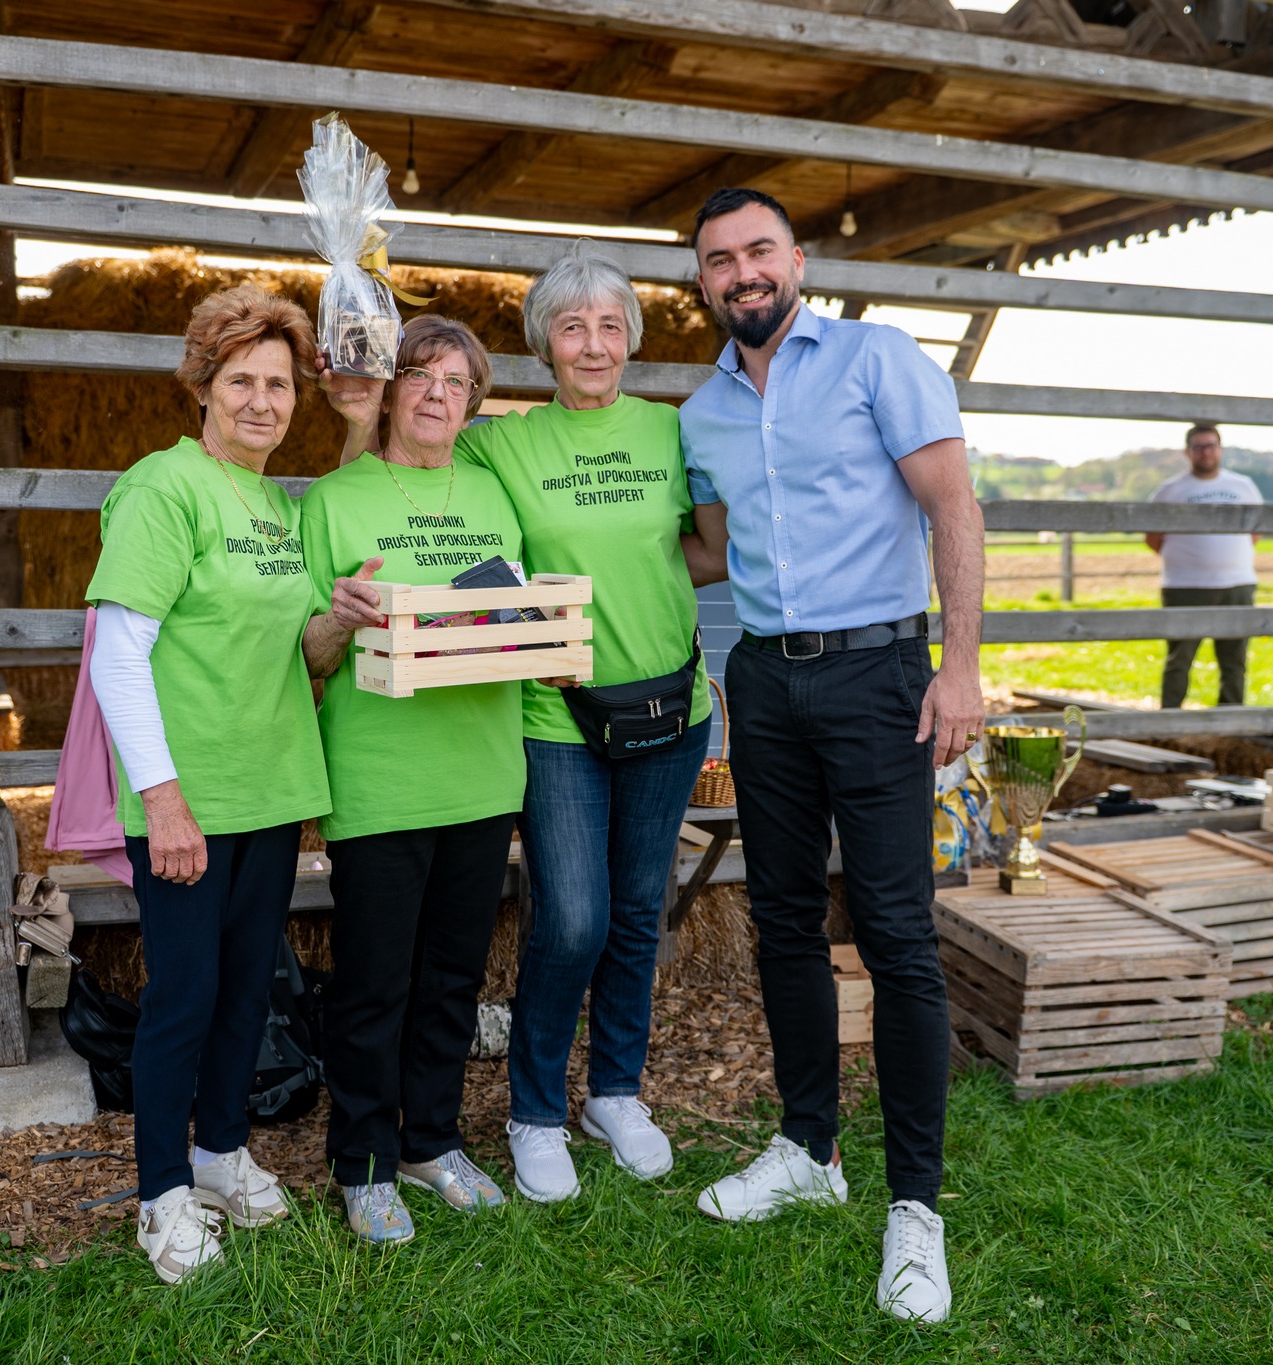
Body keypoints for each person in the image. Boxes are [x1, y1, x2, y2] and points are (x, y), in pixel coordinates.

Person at [678, 187, 985, 1324]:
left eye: (758, 250)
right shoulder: (700, 413)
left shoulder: (876, 359)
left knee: (897, 934)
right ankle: (808, 1147)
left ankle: (916, 1208)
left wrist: (959, 667)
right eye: (720, 260)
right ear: (703, 283)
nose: (742, 272)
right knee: (782, 920)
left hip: (878, 674)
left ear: (797, 260)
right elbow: (710, 552)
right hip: (764, 680)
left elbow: (954, 508)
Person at [373, 241, 716, 1202]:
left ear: (631, 339)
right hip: (556, 715)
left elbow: (709, 549)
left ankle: (614, 1092)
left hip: (671, 707)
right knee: (571, 918)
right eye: (572, 327)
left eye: (610, 326)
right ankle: (534, 1111)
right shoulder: (503, 444)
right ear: (543, 344)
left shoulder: (672, 432)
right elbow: (407, 450)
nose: (593, 344)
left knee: (638, 912)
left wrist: (638, 584)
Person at [84, 283, 330, 1284]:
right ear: (202, 386)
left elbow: (292, 648)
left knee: (244, 989)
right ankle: (161, 1196)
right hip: (189, 799)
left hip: (268, 790)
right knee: (183, 997)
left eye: (279, 383)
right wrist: (164, 800)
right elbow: (117, 654)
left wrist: (345, 615)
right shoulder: (164, 488)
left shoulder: (276, 504)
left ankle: (222, 1154)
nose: (262, 401)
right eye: (242, 381)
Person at [301, 316, 525, 1243]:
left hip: (483, 775)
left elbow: (515, 619)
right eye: (422, 375)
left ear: (473, 403)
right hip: (380, 779)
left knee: (452, 982)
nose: (439, 393)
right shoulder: (333, 500)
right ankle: (363, 1162)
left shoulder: (494, 493)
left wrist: (550, 651)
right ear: (390, 390)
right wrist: (338, 618)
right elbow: (307, 656)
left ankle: (432, 1141)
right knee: (373, 983)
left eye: (457, 381)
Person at [1145, 423, 1262, 708]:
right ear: (1188, 452)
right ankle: (1171, 717)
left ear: (1220, 449)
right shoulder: (1170, 490)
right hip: (1185, 587)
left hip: (1237, 585)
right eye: (1198, 447)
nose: (1205, 453)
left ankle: (1230, 716)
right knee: (1179, 658)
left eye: (1211, 446)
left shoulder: (1243, 486)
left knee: (1234, 659)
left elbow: (1255, 531)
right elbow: (1152, 537)